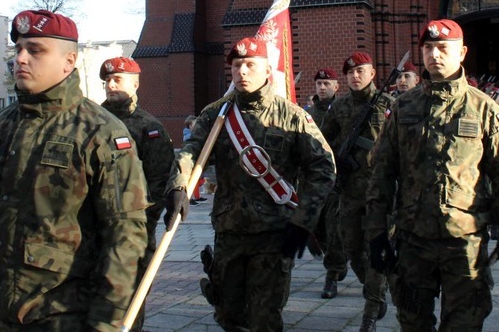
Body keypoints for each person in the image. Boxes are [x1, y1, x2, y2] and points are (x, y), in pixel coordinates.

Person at [0, 10, 149, 332]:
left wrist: (107, 322)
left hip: (63, 318)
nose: (20, 58)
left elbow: (125, 237)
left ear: (69, 60)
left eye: (35, 50)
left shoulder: (100, 133)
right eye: (18, 49)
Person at [163, 37, 336, 332]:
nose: (242, 71)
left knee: (263, 318)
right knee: (226, 313)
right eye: (237, 65)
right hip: (229, 231)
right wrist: (179, 186)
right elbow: (191, 151)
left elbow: (323, 168)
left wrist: (304, 221)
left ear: (267, 70)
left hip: (274, 233)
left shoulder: (291, 116)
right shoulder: (215, 114)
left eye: (250, 65)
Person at [367, 18, 499, 331]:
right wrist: (376, 234)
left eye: (442, 48)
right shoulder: (404, 107)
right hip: (413, 243)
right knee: (412, 323)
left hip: (464, 243)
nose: (434, 54)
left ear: (462, 52)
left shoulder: (484, 109)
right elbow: (382, 173)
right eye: (428, 48)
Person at [99, 56, 175, 332]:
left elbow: (158, 182)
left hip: (133, 232)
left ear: (136, 83)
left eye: (117, 79)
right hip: (91, 229)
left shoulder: (149, 127)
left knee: (128, 305)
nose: (110, 84)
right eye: (107, 80)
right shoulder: (91, 121)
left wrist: (143, 223)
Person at [320, 51, 393, 332]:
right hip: (349, 191)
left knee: (375, 250)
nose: (355, 76)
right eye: (350, 72)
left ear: (372, 73)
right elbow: (323, 144)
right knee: (352, 248)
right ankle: (372, 287)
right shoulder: (338, 108)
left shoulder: (388, 106)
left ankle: (371, 313)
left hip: (380, 194)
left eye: (361, 71)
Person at [305, 68, 347, 299]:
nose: (322, 87)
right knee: (316, 228)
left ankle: (332, 275)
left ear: (336, 86)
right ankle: (338, 262)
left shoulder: (342, 110)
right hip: (313, 181)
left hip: (336, 181)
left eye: (327, 83)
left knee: (334, 230)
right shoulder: (308, 114)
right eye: (319, 83)